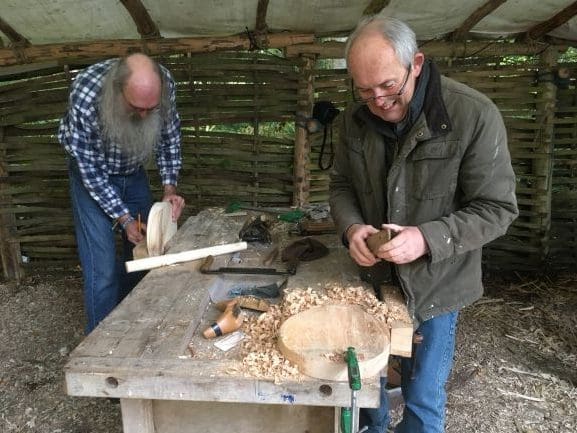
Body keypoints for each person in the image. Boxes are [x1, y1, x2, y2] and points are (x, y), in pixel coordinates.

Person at [329, 15, 518, 433]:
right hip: (371, 280)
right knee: (365, 387)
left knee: (422, 397)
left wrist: (427, 239)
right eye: (365, 90)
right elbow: (341, 185)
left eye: (388, 86)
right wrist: (352, 228)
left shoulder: (472, 115)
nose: (378, 100)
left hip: (438, 283)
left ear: (415, 63)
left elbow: (497, 209)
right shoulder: (352, 120)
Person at [58, 53, 185, 334]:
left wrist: (169, 189)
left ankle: (133, 330)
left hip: (132, 170)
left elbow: (170, 137)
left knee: (144, 255)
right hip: (91, 176)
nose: (144, 115)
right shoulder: (86, 93)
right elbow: (91, 171)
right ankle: (100, 343)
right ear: (117, 91)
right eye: (136, 107)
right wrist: (124, 219)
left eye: (151, 109)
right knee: (102, 268)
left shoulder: (164, 84)